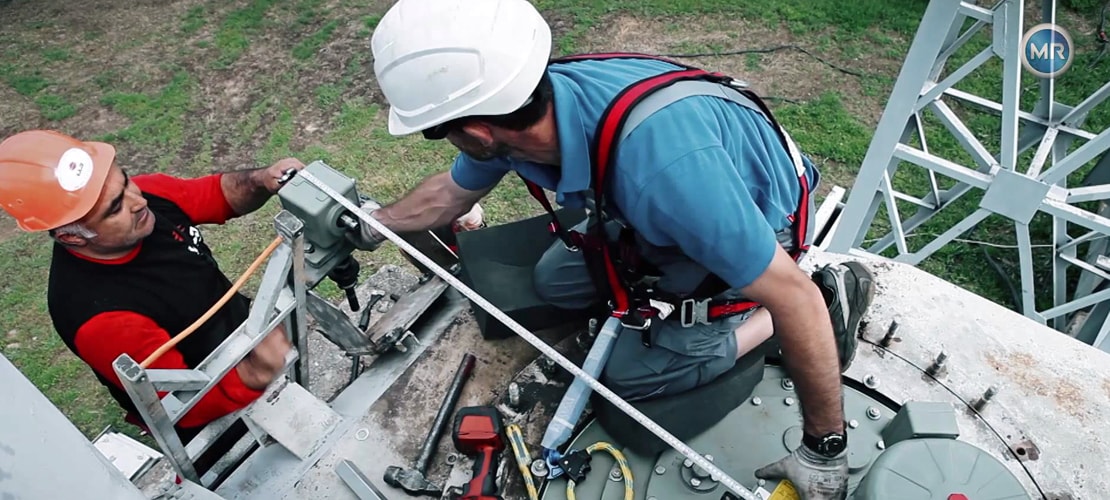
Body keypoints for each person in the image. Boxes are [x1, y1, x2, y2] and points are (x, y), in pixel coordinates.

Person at [356, 0, 875, 498]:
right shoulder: (536, 101)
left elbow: (793, 296)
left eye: (437, 132)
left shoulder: (666, 174)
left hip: (753, 221)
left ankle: (809, 307)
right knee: (553, 281)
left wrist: (823, 450)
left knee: (632, 377)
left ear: (475, 131)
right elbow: (450, 195)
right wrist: (375, 225)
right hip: (665, 211)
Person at [0, 129, 300, 439]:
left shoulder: (146, 197)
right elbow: (182, 405)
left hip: (250, 346)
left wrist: (260, 180)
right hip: (213, 426)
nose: (139, 200)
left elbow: (216, 194)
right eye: (115, 208)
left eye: (125, 181)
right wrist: (256, 372)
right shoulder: (98, 318)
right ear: (72, 237)